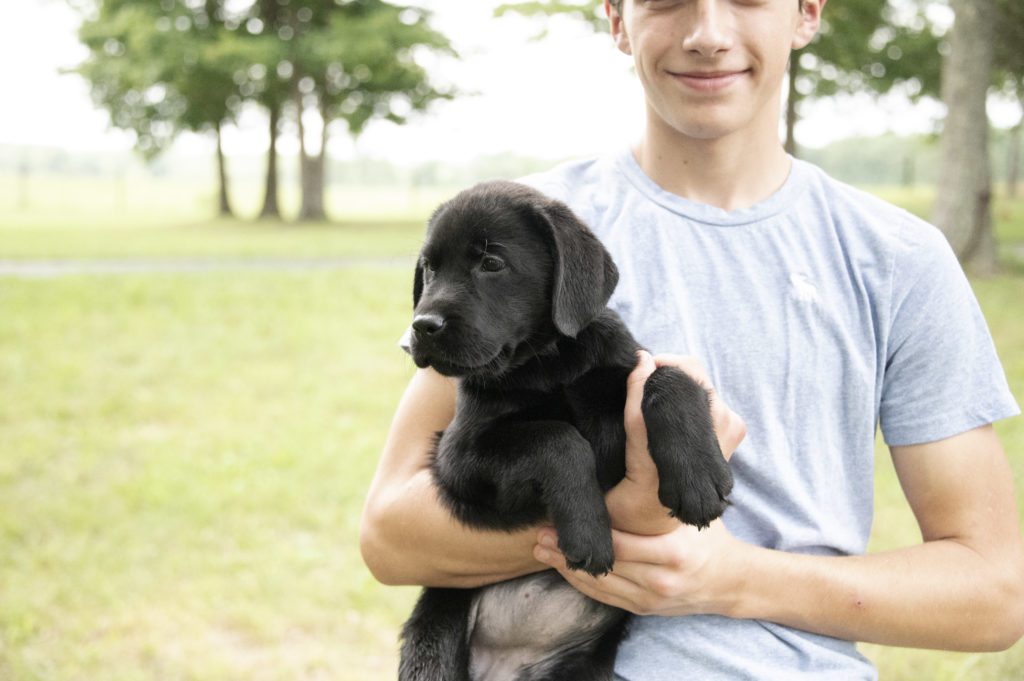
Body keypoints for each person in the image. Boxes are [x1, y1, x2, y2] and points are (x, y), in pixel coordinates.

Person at [360, 0, 1024, 678]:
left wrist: (731, 578)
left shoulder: (897, 258)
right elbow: (390, 535)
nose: (707, 34)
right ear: (617, 18)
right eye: (668, 0)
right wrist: (614, 520)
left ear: (807, 12)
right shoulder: (524, 230)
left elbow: (994, 592)